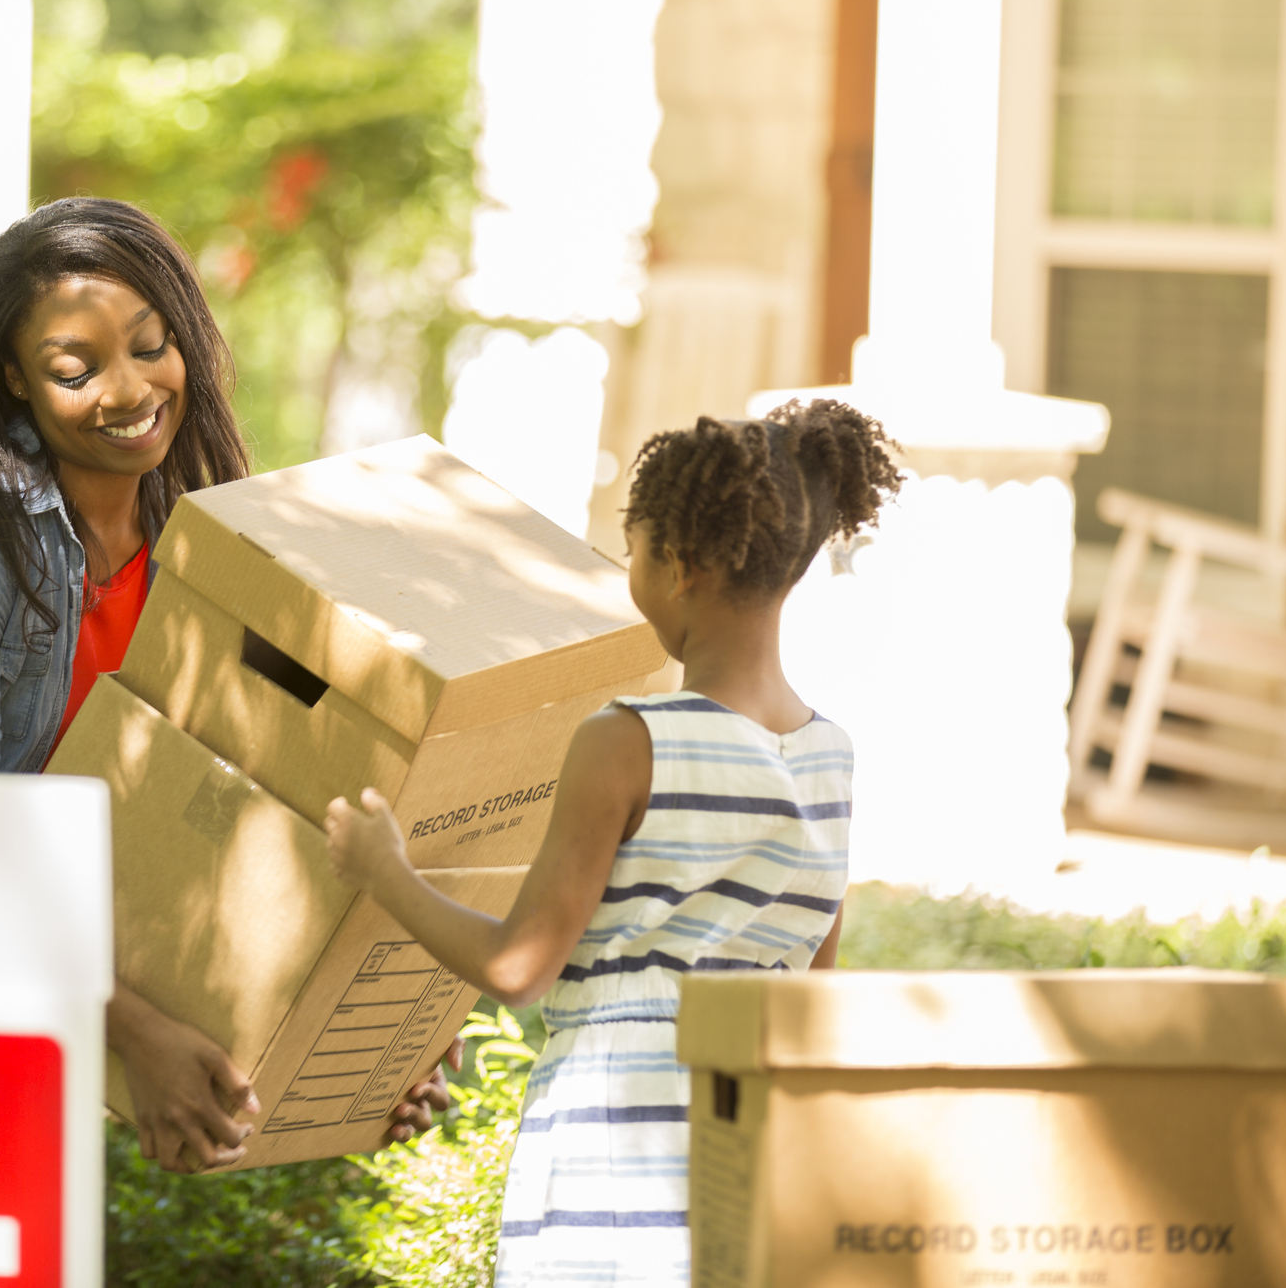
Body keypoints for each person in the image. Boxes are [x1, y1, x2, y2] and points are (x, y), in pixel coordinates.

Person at [0, 196, 458, 1171]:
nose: (129, 388)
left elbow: (267, 807)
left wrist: (370, 1042)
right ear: (13, 378)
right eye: (75, 367)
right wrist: (134, 1033)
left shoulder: (202, 544)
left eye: (151, 346)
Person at [323, 400, 902, 1285]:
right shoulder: (833, 758)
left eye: (628, 550)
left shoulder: (627, 739)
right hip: (744, 1158)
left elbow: (520, 967)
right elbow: (811, 996)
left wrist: (383, 868)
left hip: (611, 1152)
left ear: (677, 566)